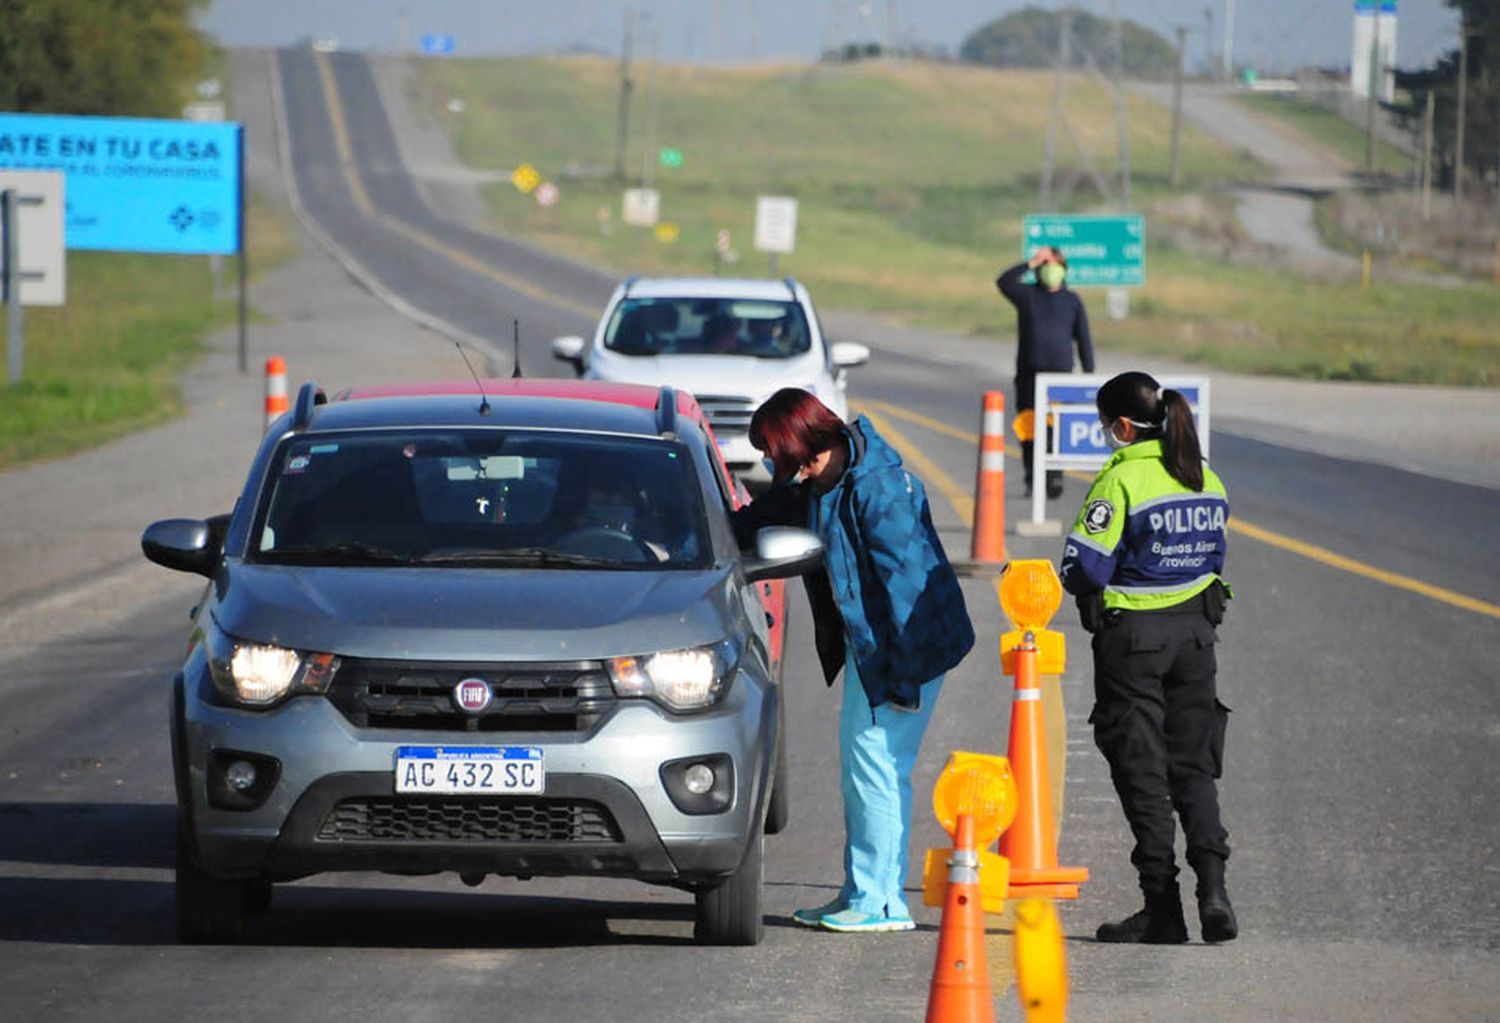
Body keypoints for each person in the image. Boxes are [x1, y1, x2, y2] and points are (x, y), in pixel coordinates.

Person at [731, 388, 974, 933]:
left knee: (879, 772)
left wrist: (903, 678)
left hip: (902, 650)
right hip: (878, 648)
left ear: (802, 445)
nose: (772, 465)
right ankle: (861, 892)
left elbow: (907, 587)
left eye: (774, 453)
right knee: (867, 772)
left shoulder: (876, 488)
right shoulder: (822, 480)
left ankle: (882, 902)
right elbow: (767, 514)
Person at [1058, 371, 1236, 945]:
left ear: (1124, 426)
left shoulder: (1123, 479)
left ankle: (1163, 909)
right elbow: (1215, 557)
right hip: (1196, 640)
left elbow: (1084, 566)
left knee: (1143, 773)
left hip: (1134, 640)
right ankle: (1214, 891)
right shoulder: (1206, 478)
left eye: (1107, 424)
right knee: (1193, 767)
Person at [996, 245, 1095, 499]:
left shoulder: (1071, 300)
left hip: (1060, 378)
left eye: (1054, 265)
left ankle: (1054, 478)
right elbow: (1004, 281)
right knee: (1030, 430)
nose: (1049, 270)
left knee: (1056, 430)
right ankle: (1033, 478)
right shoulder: (1028, 295)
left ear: (1063, 269)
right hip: (1030, 376)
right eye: (1045, 265)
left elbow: (1083, 337)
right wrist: (1032, 262)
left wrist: (1089, 371)